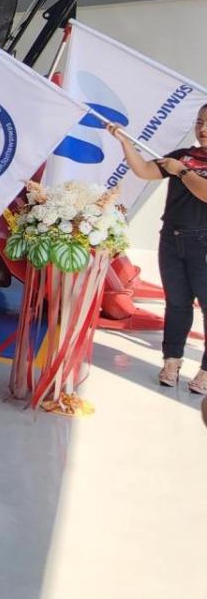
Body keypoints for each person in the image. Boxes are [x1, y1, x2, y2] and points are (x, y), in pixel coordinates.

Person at [108, 105, 207, 394]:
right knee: (177, 304)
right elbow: (145, 171)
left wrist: (183, 172)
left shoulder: (183, 164)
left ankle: (204, 371)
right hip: (171, 239)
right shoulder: (182, 156)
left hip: (203, 241)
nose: (202, 128)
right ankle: (172, 361)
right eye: (200, 121)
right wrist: (125, 143)